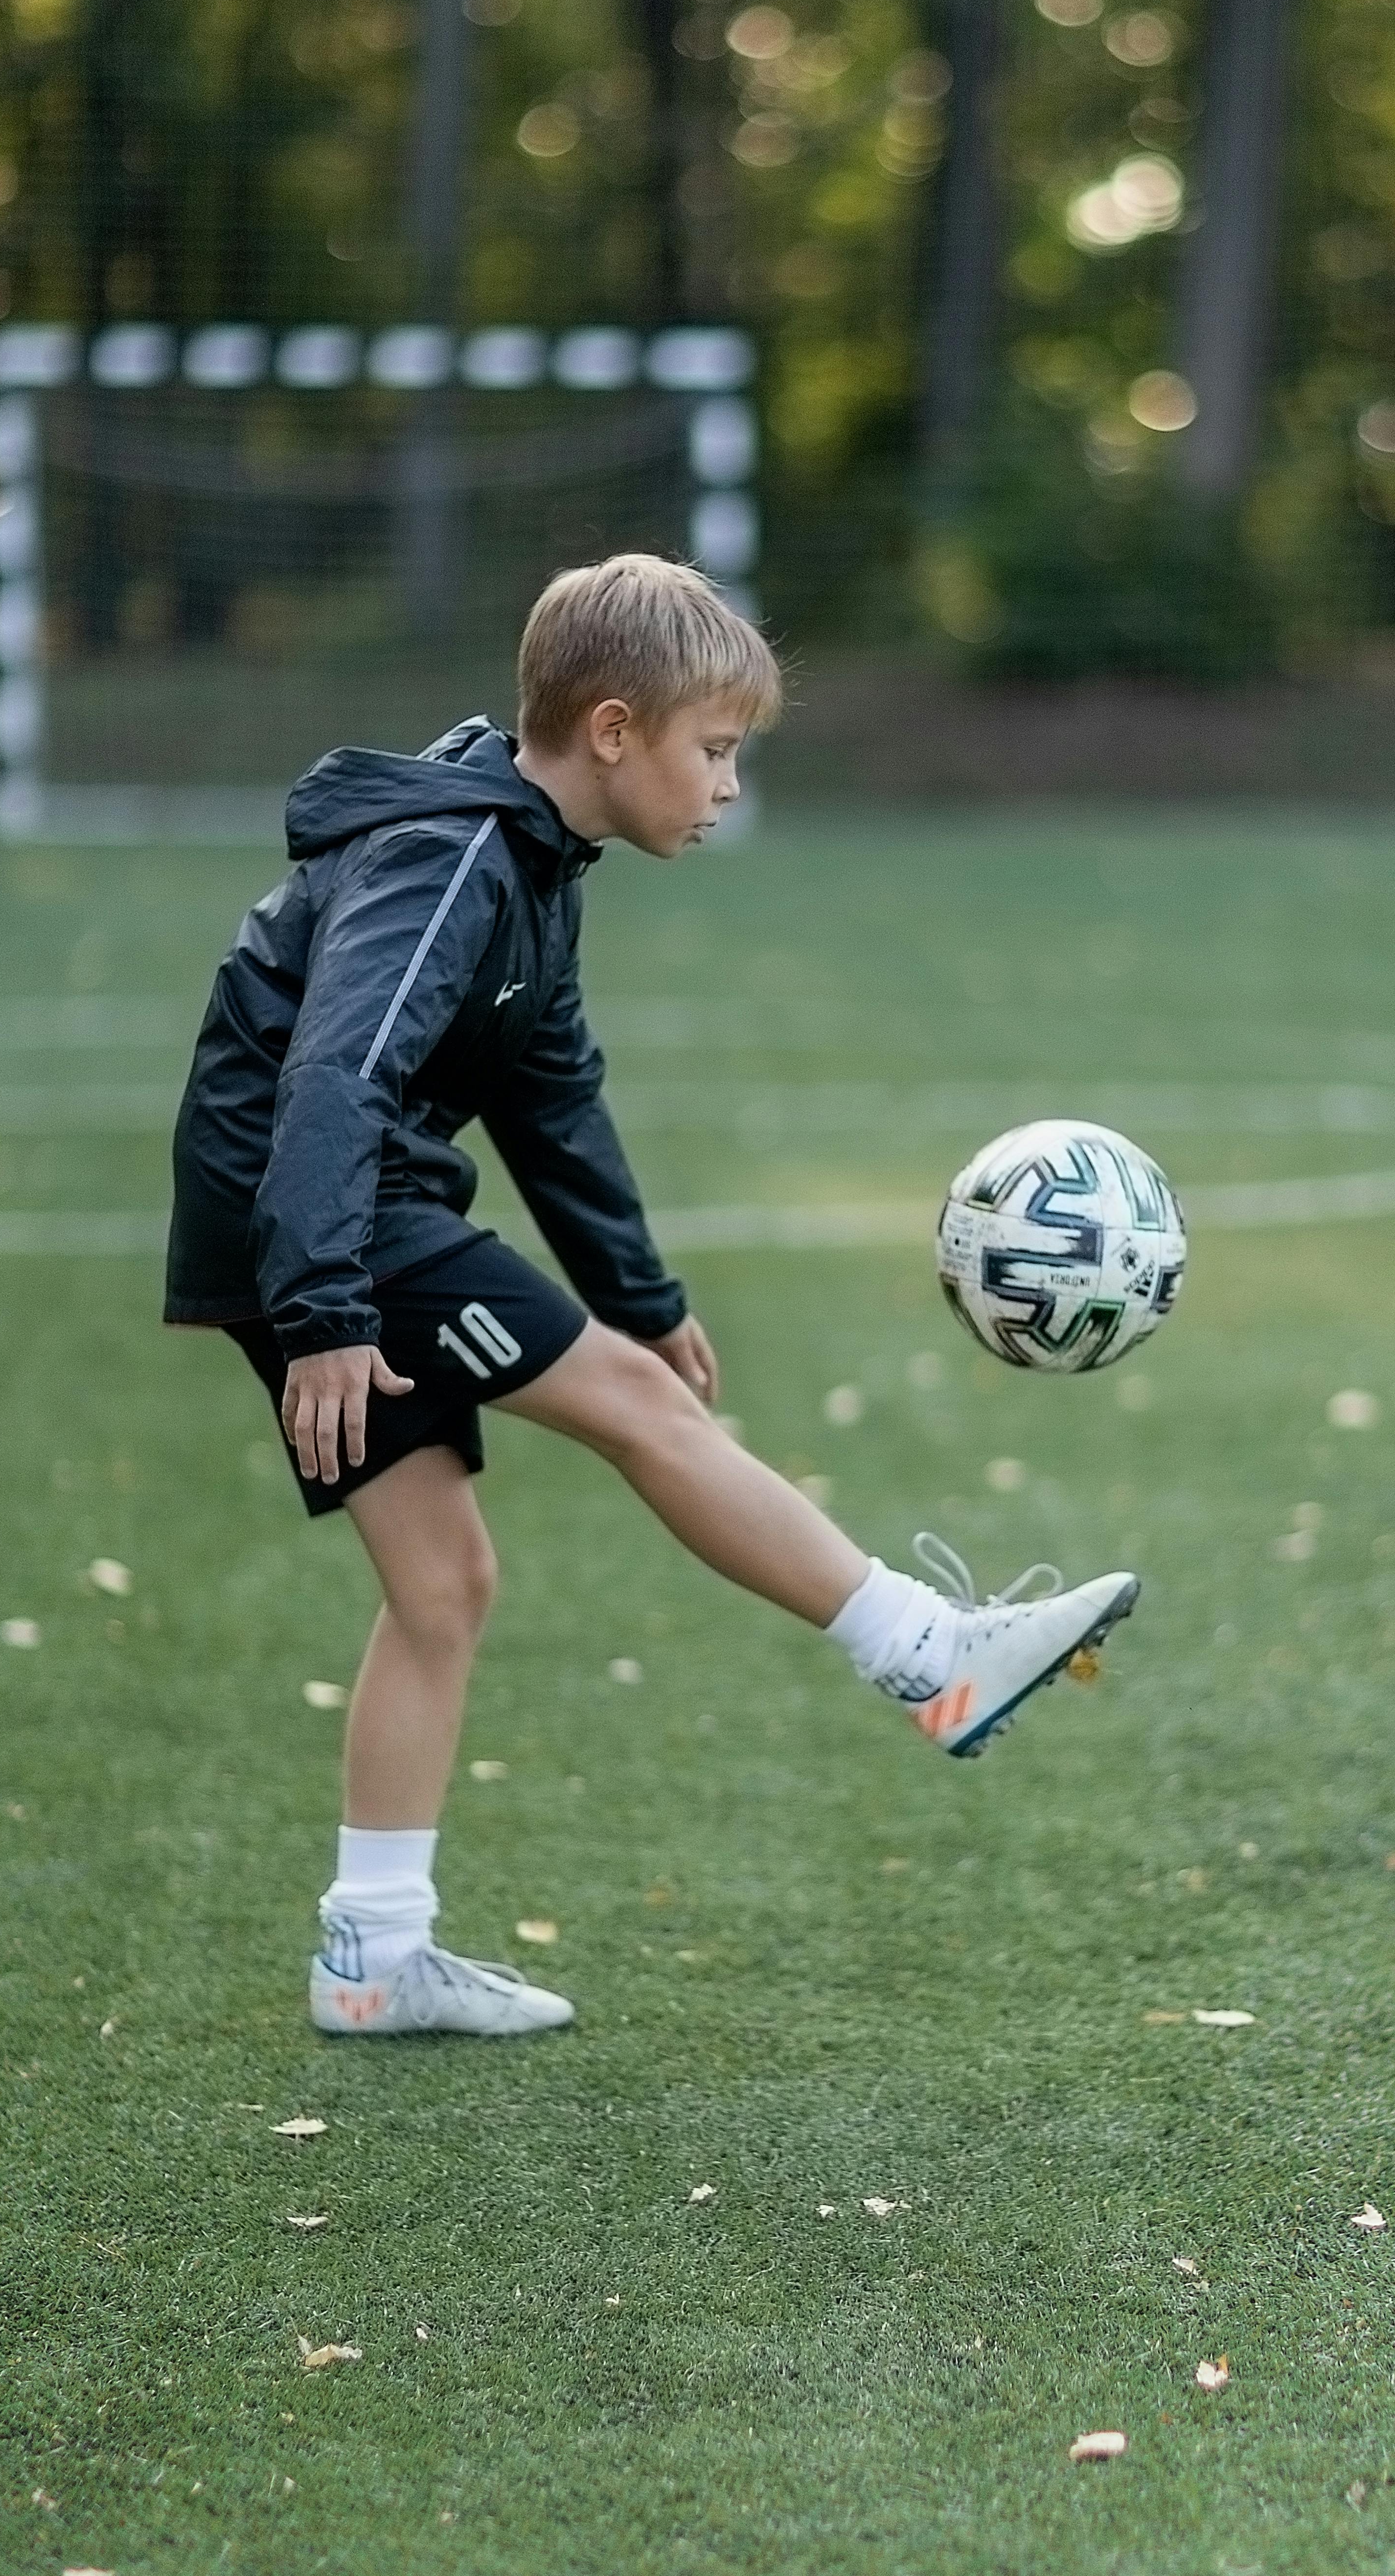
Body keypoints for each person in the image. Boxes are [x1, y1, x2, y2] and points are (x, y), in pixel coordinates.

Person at [164, 553, 1140, 2039]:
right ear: (614, 733)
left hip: (334, 1212)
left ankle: (371, 1958)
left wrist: (639, 1288)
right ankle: (927, 1658)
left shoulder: (536, 865)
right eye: (717, 748)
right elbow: (333, 1076)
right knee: (621, 1403)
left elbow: (552, 1097)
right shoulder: (452, 858)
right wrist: (327, 1313)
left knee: (444, 1587)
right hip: (320, 1210)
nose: (729, 785)